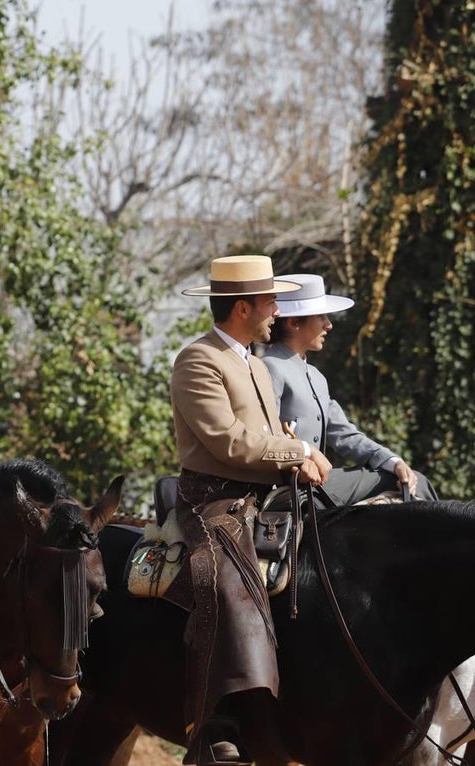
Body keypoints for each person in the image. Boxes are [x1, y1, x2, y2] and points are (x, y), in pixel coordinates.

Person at [171, 255, 331, 766]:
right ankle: (218, 719)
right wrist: (299, 452)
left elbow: (264, 436)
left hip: (264, 495)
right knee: (228, 583)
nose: (276, 311)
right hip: (211, 500)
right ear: (242, 307)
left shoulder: (255, 363)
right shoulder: (197, 360)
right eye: (269, 303)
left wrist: (293, 457)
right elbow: (228, 442)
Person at [261, 273, 437, 505]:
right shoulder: (270, 367)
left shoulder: (316, 377)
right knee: (415, 483)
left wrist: (392, 461)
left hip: (317, 483)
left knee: (409, 478)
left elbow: (345, 435)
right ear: (293, 323)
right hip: (291, 488)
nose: (329, 325)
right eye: (321, 317)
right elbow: (265, 435)